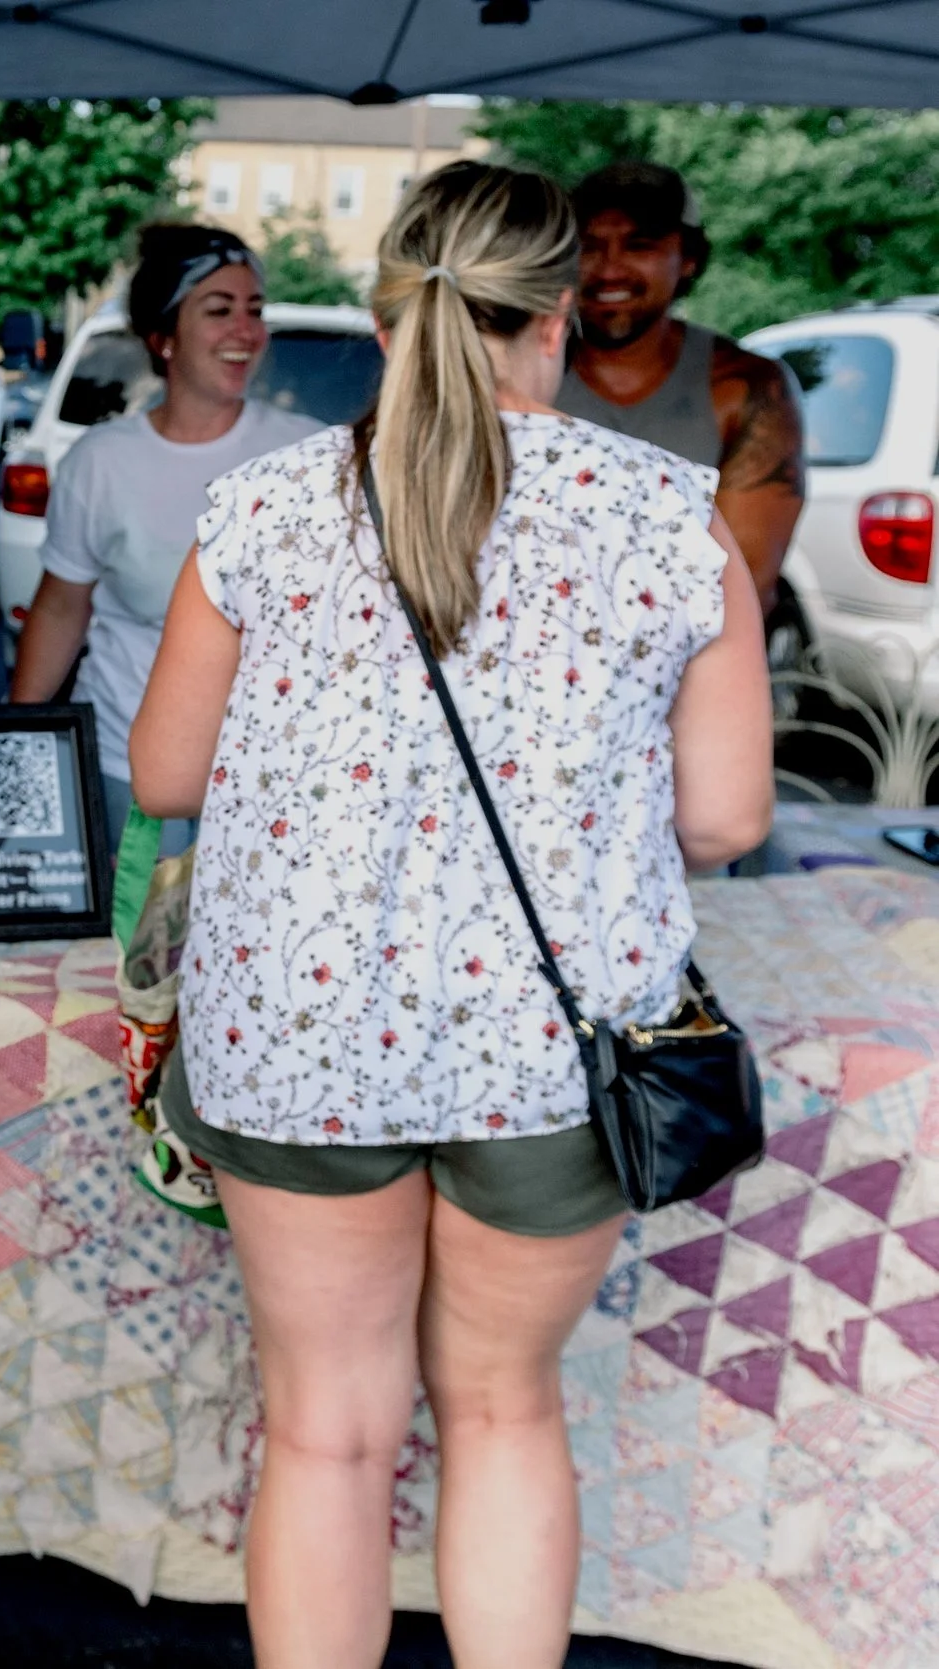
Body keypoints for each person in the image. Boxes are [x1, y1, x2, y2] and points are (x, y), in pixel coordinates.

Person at [128, 161, 772, 1669]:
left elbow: (164, 773)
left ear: (385, 318)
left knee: (325, 1433)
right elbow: (728, 819)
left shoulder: (263, 506)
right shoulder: (667, 518)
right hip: (555, 1048)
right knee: (502, 1411)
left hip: (295, 1029)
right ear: (556, 315)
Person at [8, 225, 322, 873]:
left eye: (255, 310)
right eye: (219, 310)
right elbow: (61, 609)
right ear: (163, 337)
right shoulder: (102, 462)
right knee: (135, 935)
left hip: (274, 774)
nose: (246, 331)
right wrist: (17, 749)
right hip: (131, 767)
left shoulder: (309, 455)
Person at [556, 161, 805, 601]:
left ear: (688, 257)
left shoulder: (746, 387)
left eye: (640, 245)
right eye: (589, 247)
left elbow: (741, 591)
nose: (609, 269)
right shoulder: (515, 373)